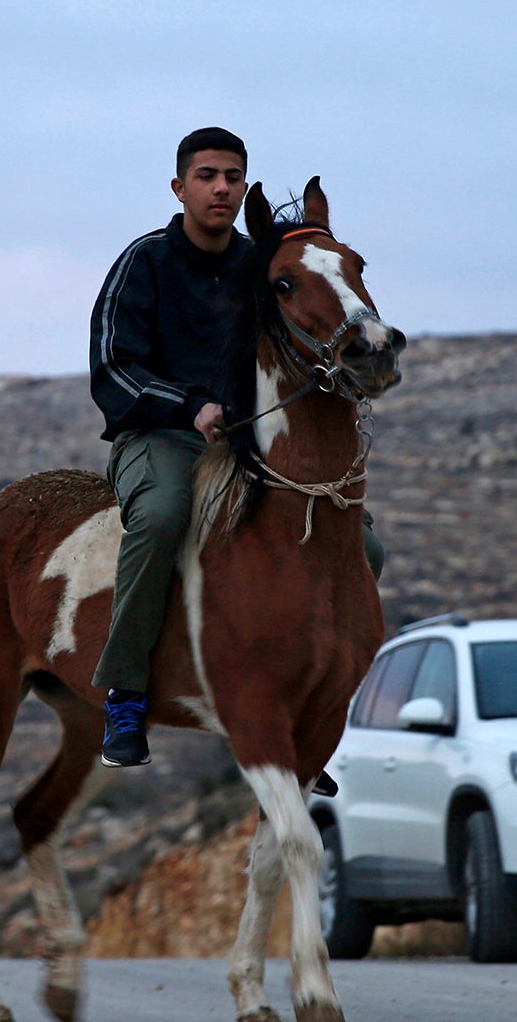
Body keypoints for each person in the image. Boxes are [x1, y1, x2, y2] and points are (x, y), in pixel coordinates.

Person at [88, 127, 382, 767]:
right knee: (163, 515)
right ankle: (127, 693)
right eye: (207, 176)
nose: (221, 188)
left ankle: (313, 710)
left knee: (367, 546)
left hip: (248, 443)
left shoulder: (265, 268)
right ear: (180, 187)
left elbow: (297, 348)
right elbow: (113, 366)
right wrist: (190, 405)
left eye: (232, 177)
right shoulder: (144, 263)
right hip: (157, 436)